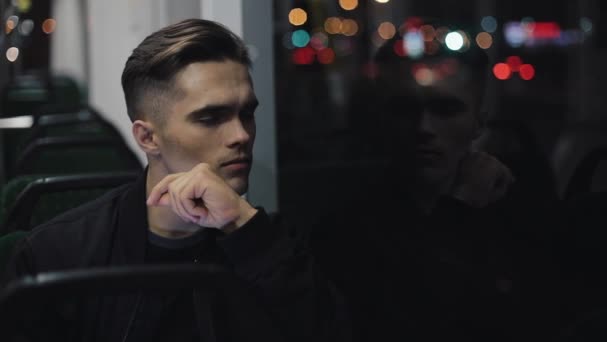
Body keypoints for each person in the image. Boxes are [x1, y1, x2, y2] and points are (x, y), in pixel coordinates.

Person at [2, 19, 350, 342]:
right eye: (211, 118)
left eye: (246, 113)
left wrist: (243, 225)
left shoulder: (272, 244)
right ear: (148, 138)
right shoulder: (57, 254)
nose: (241, 135)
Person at [311, 18, 560, 342]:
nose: (424, 128)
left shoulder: (520, 214)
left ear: (478, 122)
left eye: (445, 109)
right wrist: (458, 210)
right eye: (405, 109)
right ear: (383, 119)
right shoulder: (346, 231)